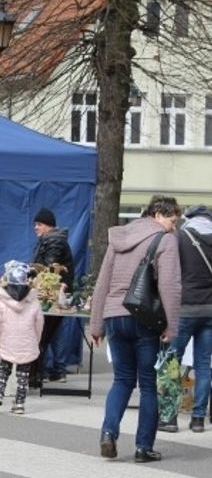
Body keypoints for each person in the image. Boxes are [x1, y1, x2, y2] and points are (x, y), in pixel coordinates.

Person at [90, 194, 182, 463]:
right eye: (172, 220)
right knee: (148, 385)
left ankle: (108, 433)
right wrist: (172, 326)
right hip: (144, 318)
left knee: (122, 380)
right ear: (157, 214)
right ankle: (143, 447)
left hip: (114, 316)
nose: (173, 227)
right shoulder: (164, 240)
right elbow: (170, 286)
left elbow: (102, 282)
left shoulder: (119, 237)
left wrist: (96, 324)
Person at [164, 204, 212, 433]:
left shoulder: (180, 237)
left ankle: (170, 417)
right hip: (210, 311)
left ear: (189, 218)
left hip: (184, 309)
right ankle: (198, 419)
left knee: (172, 362)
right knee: (204, 365)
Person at [0, 261, 44, 414]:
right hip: (27, 342)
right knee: (23, 375)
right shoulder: (34, 301)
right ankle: (19, 403)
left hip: (7, 341)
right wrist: (35, 341)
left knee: (3, 369)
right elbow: (39, 324)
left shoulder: (1, 302)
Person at [30, 207, 75, 386]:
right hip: (55, 295)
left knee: (44, 335)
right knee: (49, 335)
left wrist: (32, 276)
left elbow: (49, 271)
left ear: (48, 226)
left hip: (54, 297)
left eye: (39, 224)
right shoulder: (49, 240)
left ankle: (41, 373)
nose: (35, 227)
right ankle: (51, 371)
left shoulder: (54, 242)